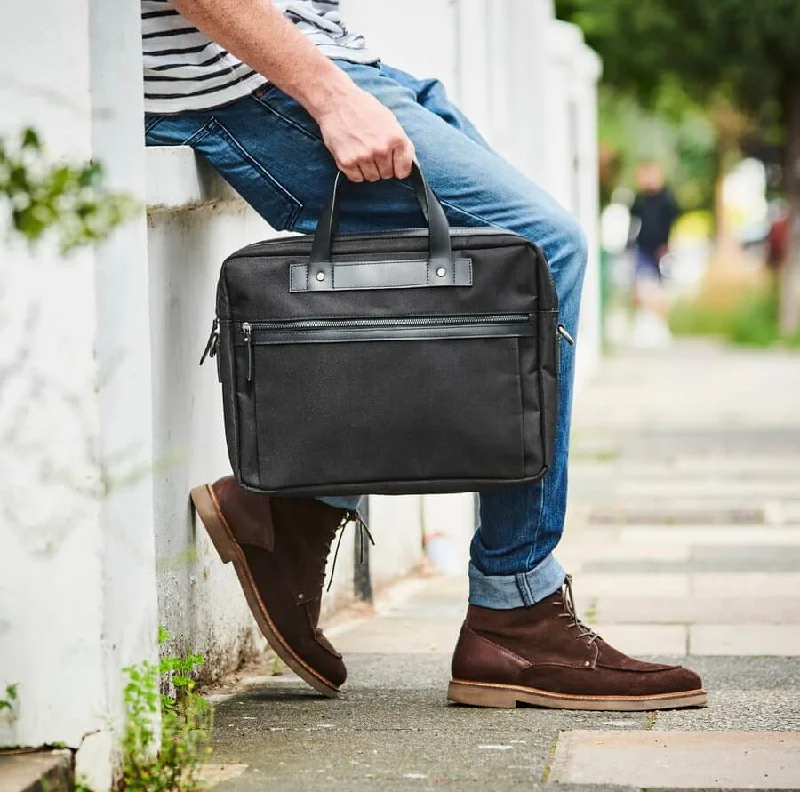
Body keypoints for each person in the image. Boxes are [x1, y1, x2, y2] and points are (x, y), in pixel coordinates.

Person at [142, 0, 706, 710]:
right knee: (538, 252)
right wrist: (328, 94)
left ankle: (297, 508)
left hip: (334, 64)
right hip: (243, 82)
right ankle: (516, 604)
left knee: (479, 277)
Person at [629, 162, 680, 346]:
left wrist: (667, 246)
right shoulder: (640, 199)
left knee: (661, 289)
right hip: (642, 249)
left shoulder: (667, 199)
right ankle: (643, 327)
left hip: (660, 250)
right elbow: (633, 223)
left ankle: (661, 327)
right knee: (640, 288)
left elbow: (672, 225)